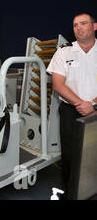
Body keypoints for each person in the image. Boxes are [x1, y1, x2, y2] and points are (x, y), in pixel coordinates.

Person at [46, 12, 97, 199]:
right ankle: (70, 193)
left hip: (96, 109)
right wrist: (81, 104)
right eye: (75, 25)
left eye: (83, 23)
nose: (79, 28)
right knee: (70, 156)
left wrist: (93, 105)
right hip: (70, 111)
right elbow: (58, 84)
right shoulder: (64, 51)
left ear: (94, 26)